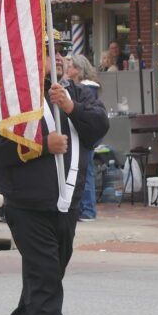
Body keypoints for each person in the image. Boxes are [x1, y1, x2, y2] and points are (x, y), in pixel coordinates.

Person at [0, 28, 109, 315]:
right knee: (45, 279)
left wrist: (70, 107)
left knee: (45, 279)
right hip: (26, 205)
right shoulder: (8, 98)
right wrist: (41, 144)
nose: (56, 58)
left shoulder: (79, 94)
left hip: (66, 204)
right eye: (47, 51)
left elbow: (99, 127)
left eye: (62, 53)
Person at [66, 53, 102, 221]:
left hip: (86, 135)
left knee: (85, 172)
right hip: (82, 134)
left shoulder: (88, 88)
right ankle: (83, 208)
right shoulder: (81, 86)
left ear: (78, 70)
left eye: (71, 65)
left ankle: (88, 209)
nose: (68, 68)